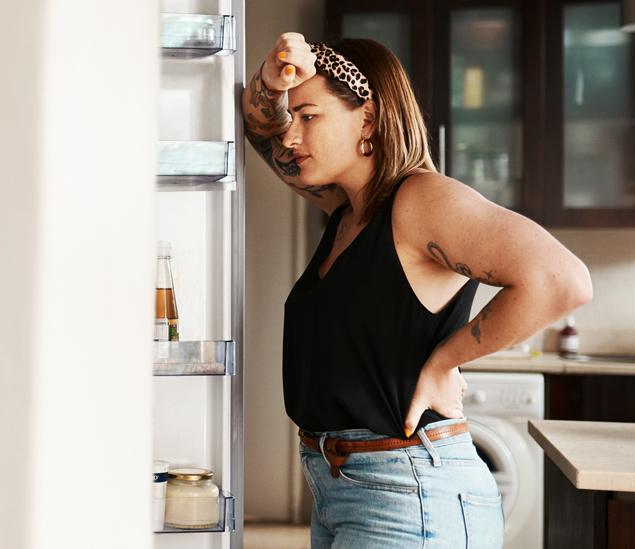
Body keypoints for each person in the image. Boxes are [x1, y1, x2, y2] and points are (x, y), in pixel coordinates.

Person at [242, 33, 593, 548]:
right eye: (289, 117)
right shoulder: (348, 213)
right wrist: (274, 84)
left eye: (309, 116)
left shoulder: (420, 198)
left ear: (369, 116)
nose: (290, 135)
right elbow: (257, 131)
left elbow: (562, 280)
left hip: (407, 492)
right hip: (342, 488)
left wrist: (443, 361)